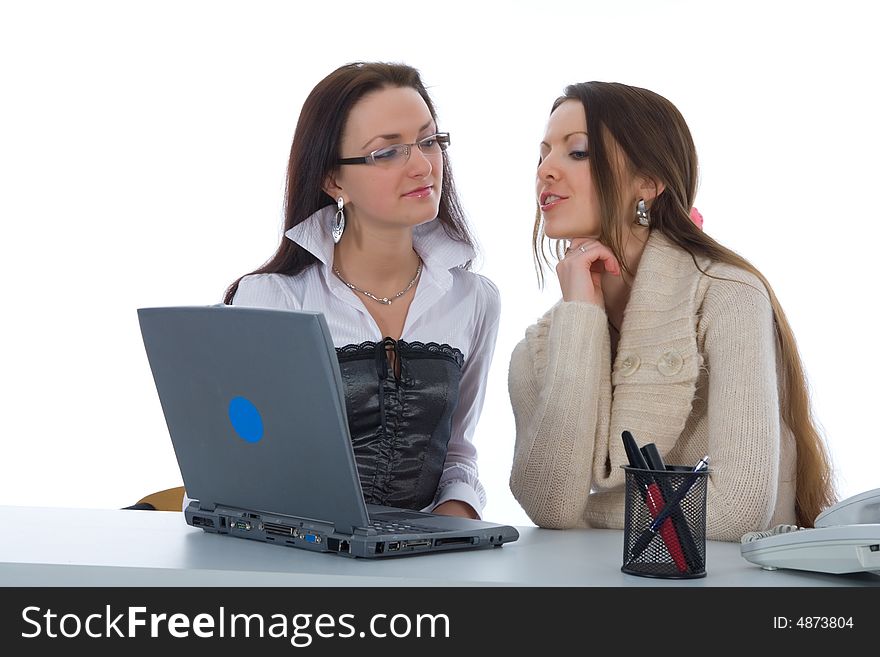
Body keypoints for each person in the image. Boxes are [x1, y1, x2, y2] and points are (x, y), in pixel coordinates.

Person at [508, 81, 836, 541]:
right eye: (542, 154)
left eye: (577, 152)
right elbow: (551, 504)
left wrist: (590, 514)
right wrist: (579, 313)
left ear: (648, 182)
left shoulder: (728, 295)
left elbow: (737, 509)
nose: (546, 170)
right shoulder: (538, 349)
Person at [215, 62, 499, 519]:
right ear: (333, 180)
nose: (423, 166)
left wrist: (452, 529)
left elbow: (459, 457)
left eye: (429, 142)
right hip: (298, 563)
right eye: (387, 153)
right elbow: (241, 463)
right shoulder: (271, 299)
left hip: (424, 564)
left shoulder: (475, 299)